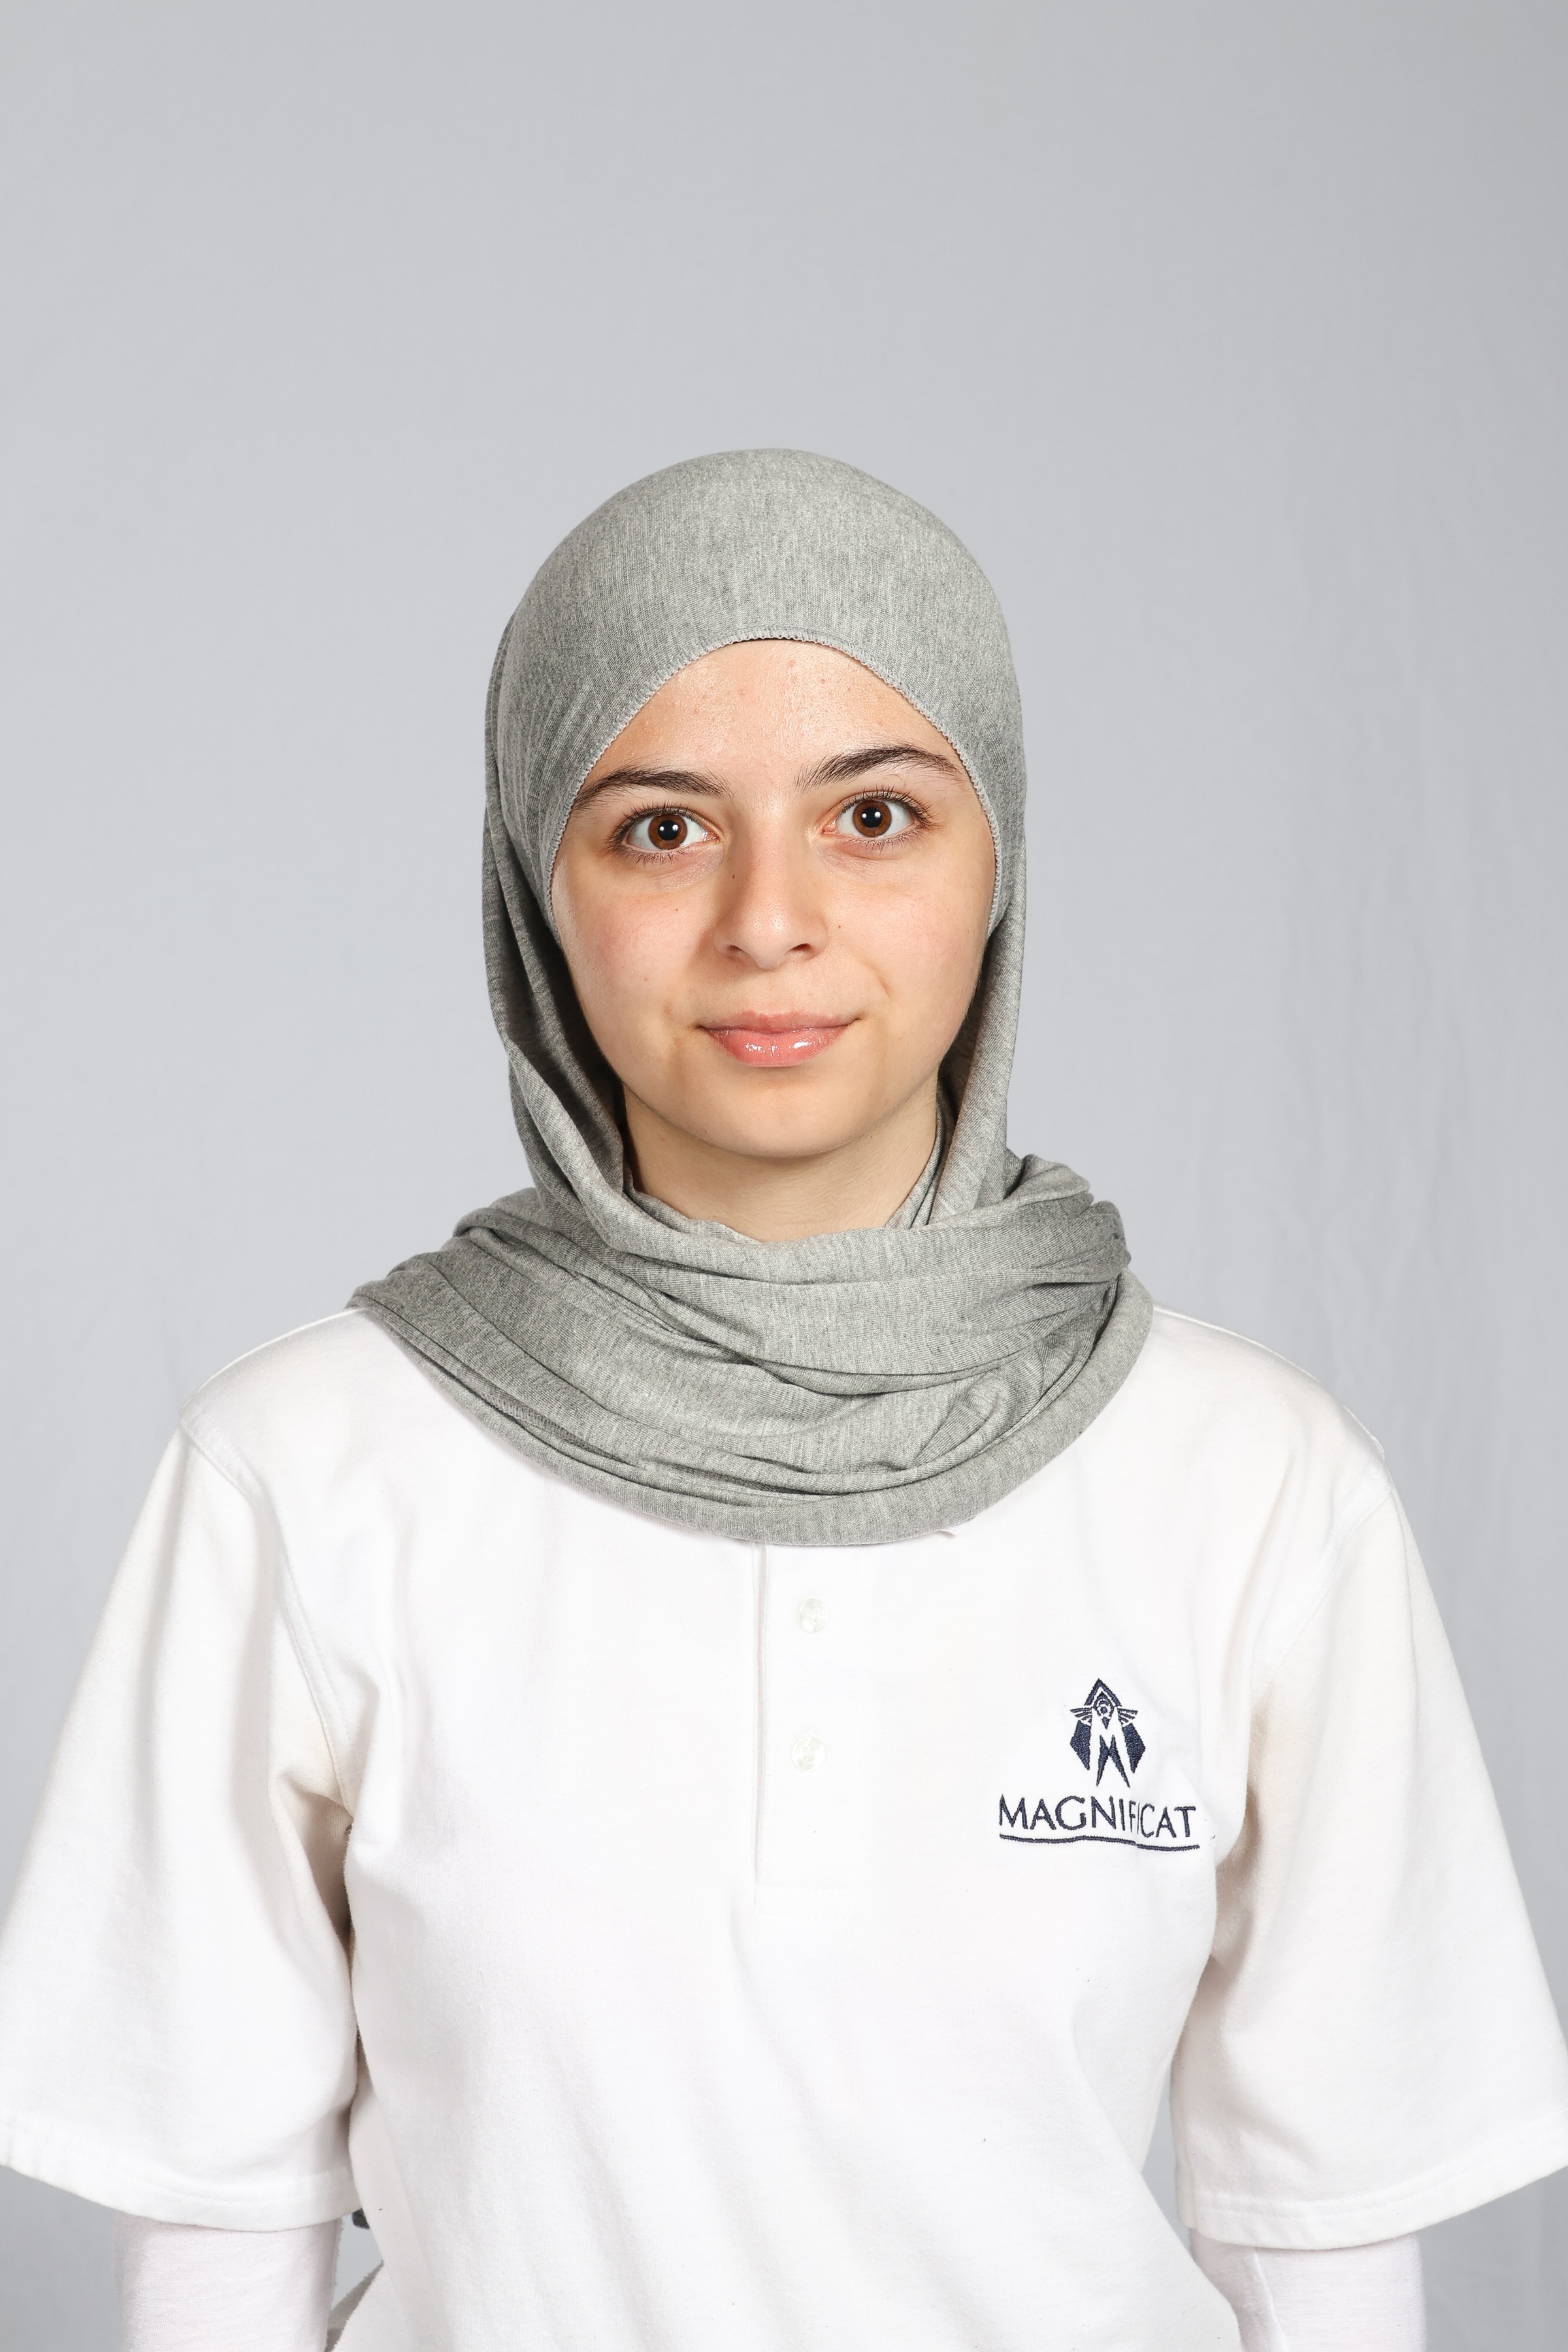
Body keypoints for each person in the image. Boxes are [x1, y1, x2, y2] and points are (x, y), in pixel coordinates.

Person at [1, 451, 1564, 2352]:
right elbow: (217, 2232)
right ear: (535, 887)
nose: (769, 920)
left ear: (998, 865)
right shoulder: (303, 1473)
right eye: (661, 829)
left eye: (875, 816)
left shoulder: (1256, 1486)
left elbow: (1325, 2245)